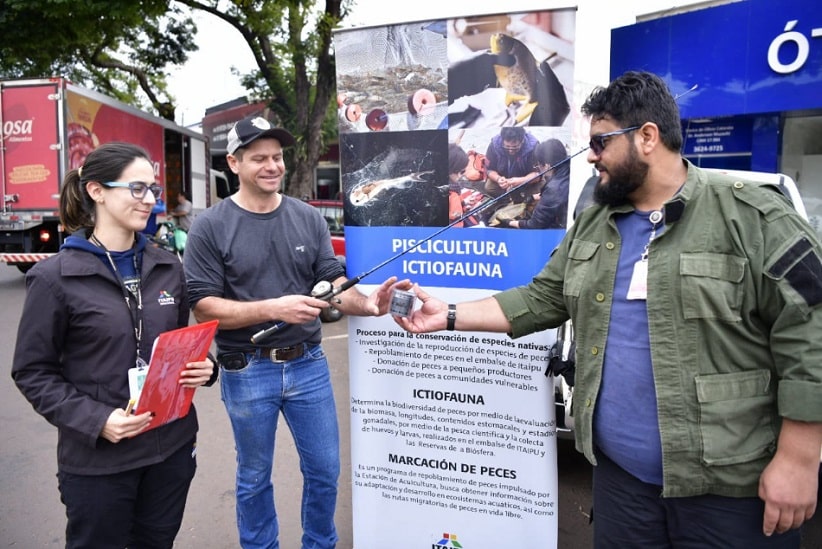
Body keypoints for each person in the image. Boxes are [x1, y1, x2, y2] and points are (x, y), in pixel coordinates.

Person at [394, 71, 822, 547]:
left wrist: (799, 458)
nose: (591, 155)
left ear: (647, 137)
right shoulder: (593, 224)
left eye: (600, 142)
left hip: (729, 492)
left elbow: (811, 330)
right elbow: (542, 299)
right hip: (622, 487)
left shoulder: (753, 217)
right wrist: (447, 315)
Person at [183, 115, 409, 549]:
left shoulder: (307, 218)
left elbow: (331, 284)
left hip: (308, 366)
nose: (272, 166)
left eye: (278, 157)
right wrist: (274, 307)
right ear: (233, 163)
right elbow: (204, 307)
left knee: (325, 471)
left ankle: (319, 545)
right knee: (253, 477)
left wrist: (366, 304)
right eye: (259, 158)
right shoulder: (209, 226)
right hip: (246, 370)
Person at [11, 142, 216, 549]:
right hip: (99, 462)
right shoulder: (56, 278)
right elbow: (32, 372)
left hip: (170, 450)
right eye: (136, 188)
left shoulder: (167, 266)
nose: (150, 200)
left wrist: (206, 368)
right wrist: (97, 420)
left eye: (153, 190)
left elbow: (176, 347)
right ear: (96, 191)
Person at [498, 138, 570, 229]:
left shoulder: (554, 188)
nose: (539, 168)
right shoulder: (570, 167)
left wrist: (509, 223)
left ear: (547, 165)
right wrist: (533, 197)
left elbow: (535, 224)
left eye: (539, 165)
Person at [483, 126, 540, 199]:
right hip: (505, 178)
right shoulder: (494, 145)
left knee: (540, 190)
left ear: (522, 141)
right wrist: (498, 179)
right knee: (489, 188)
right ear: (502, 140)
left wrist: (521, 181)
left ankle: (523, 198)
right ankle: (511, 199)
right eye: (507, 147)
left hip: (526, 180)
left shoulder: (533, 147)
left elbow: (537, 174)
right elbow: (489, 169)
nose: (510, 151)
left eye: (515, 147)